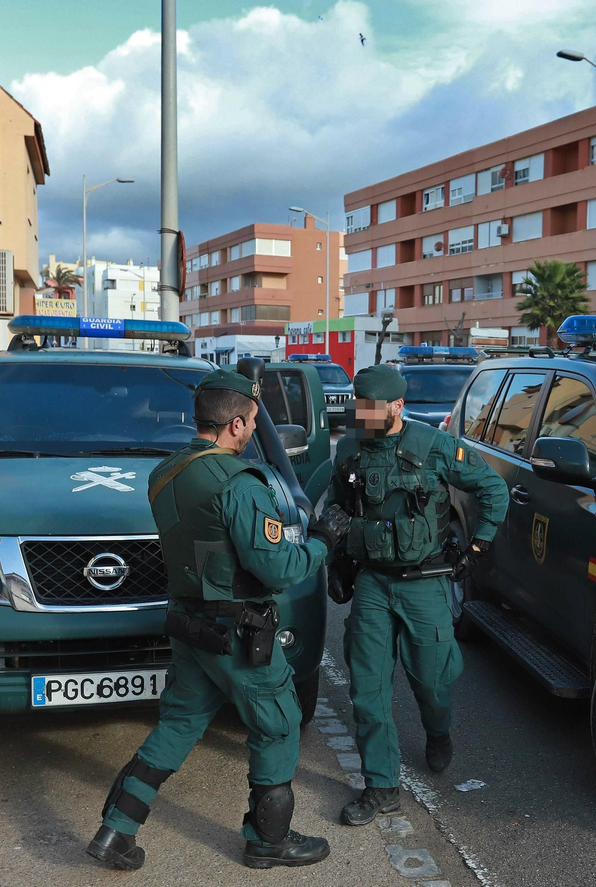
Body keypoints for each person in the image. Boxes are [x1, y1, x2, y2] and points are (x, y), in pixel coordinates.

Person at [89, 369, 351, 872]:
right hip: (237, 631)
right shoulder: (239, 483)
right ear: (235, 424)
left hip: (190, 625)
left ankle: (115, 831)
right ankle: (269, 841)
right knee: (279, 724)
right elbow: (277, 568)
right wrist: (322, 540)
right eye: (250, 421)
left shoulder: (165, 473)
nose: (251, 430)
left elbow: (206, 548)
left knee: (178, 725)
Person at [331, 365, 508, 827]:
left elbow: (493, 487)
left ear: (397, 407)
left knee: (432, 681)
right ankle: (381, 786)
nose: (362, 416)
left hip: (423, 582)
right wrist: (336, 554)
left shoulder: (435, 446)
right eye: (358, 407)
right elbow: (335, 505)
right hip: (372, 583)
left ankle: (438, 731)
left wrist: (477, 546)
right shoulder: (350, 448)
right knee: (367, 687)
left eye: (371, 409)